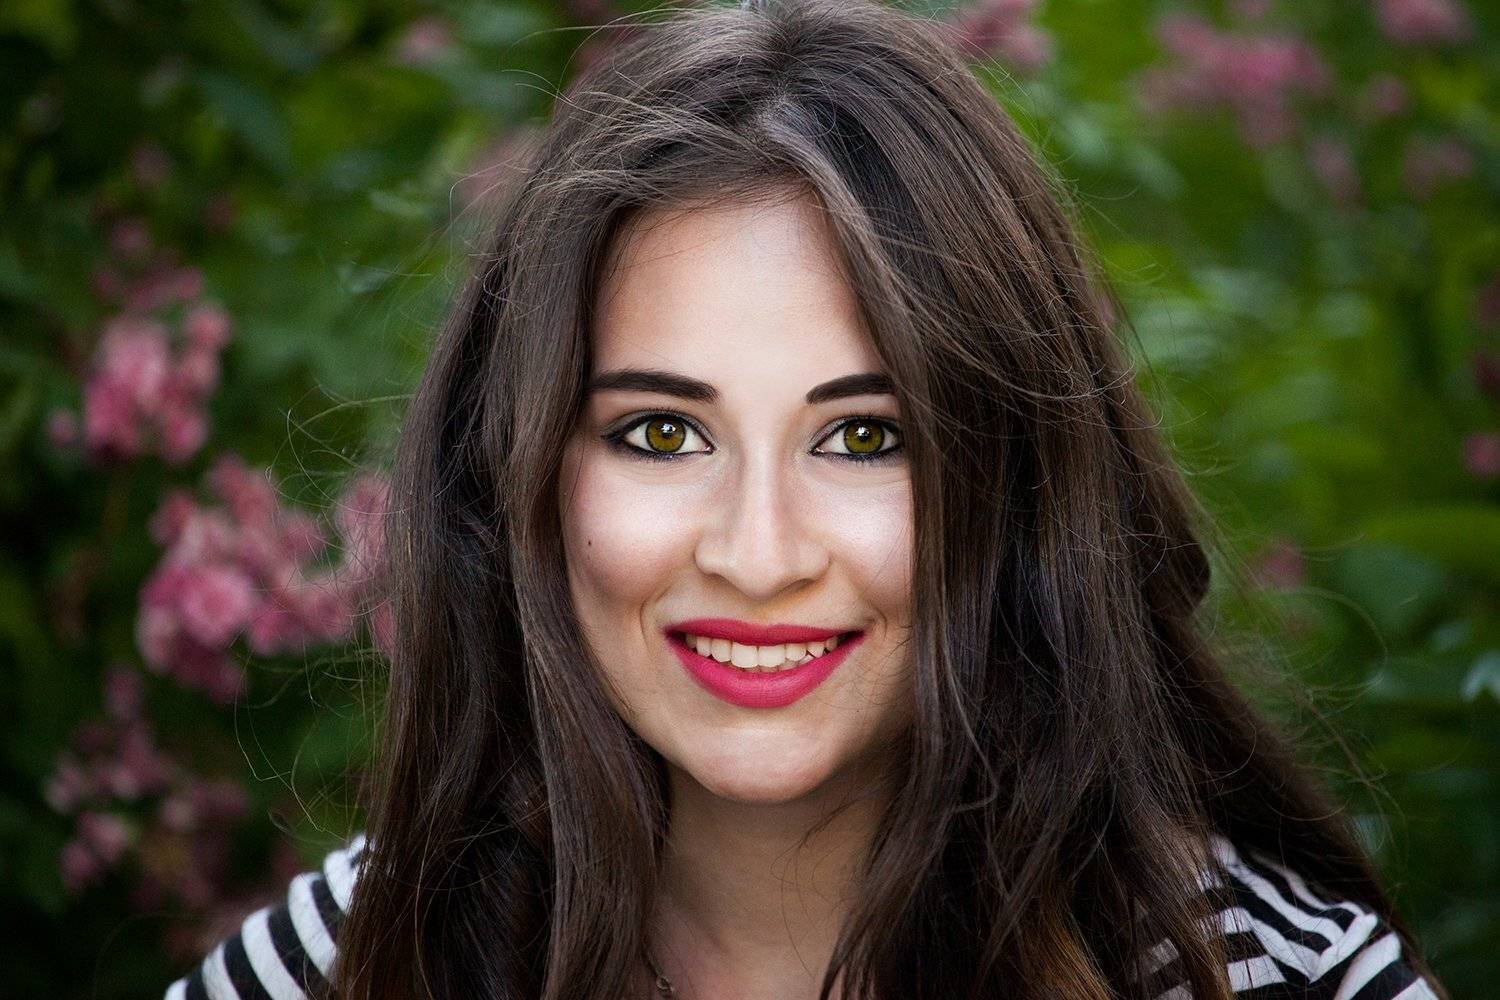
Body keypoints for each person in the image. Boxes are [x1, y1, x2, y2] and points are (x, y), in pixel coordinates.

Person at [164, 0, 1450, 998]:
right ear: (525, 478)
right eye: (662, 433)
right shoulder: (363, 958)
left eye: (865, 437)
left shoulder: (1273, 978)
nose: (760, 552)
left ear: (1013, 480)